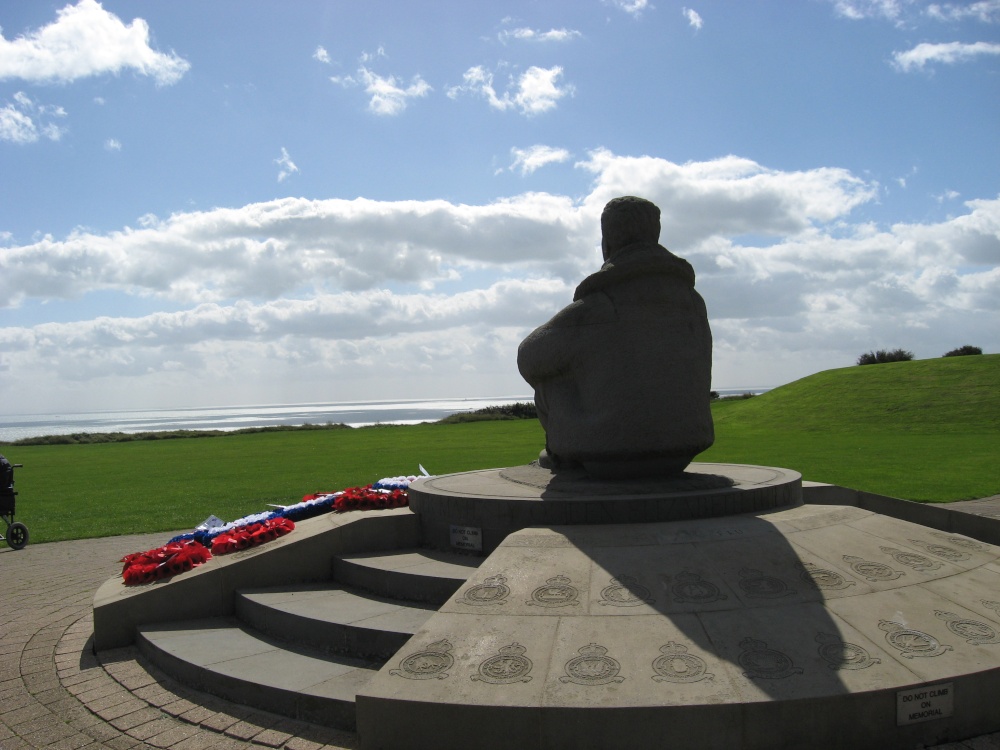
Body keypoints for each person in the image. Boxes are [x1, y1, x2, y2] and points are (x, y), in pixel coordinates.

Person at [517, 196, 714, 479]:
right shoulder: (694, 302)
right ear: (654, 235)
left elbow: (529, 357)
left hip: (607, 449)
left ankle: (565, 456)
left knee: (549, 381)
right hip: (684, 446)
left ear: (607, 241)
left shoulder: (600, 305)